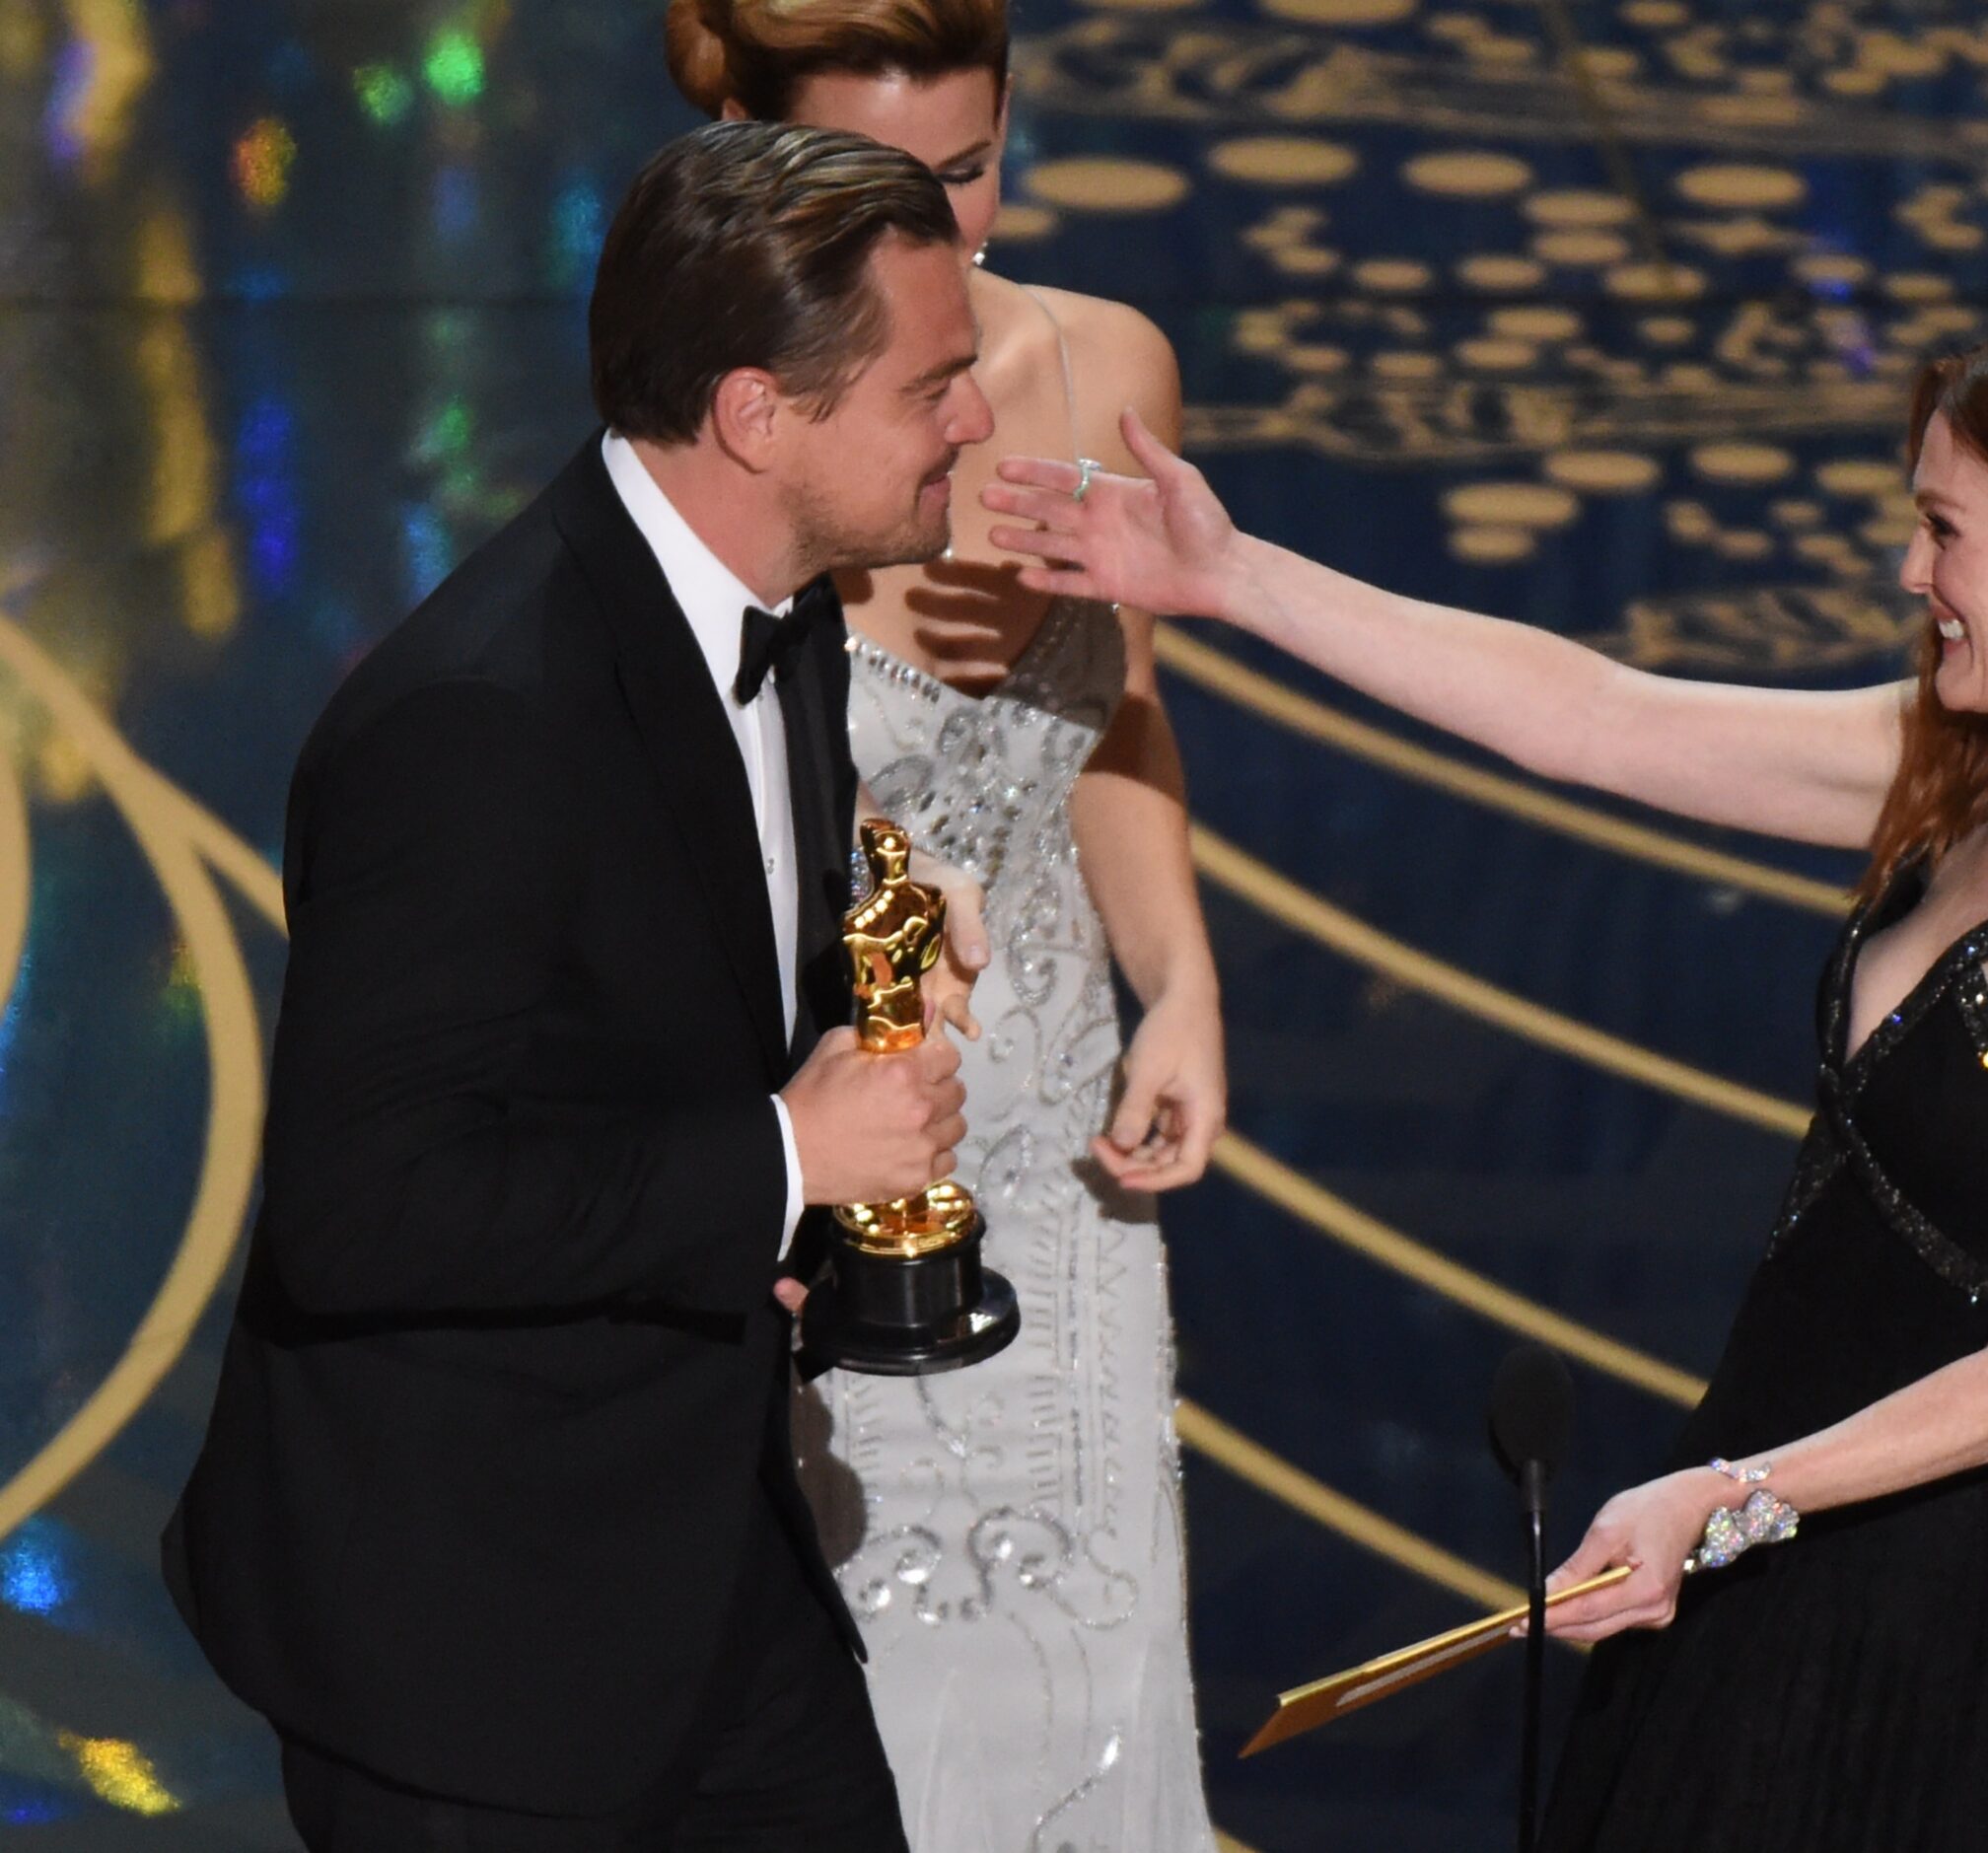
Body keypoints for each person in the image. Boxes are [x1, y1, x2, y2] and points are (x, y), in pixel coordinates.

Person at [983, 298, 1988, 1850]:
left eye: (1946, 533)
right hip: (1754, 1521)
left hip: (1927, 1623)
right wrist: (1233, 579)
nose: (1913, 574)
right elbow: (1593, 718)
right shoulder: (1973, 773)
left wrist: (1732, 1500)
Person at [162, 121, 992, 1848]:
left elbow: (658, 950)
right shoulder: (475, 723)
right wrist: (787, 1156)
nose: (976, 420)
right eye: (932, 387)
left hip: (705, 1548)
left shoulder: (786, 607)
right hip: (473, 1634)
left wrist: (879, 929)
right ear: (759, 414)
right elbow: (363, 1204)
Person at [662, 5, 1226, 1846]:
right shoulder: (726, 430)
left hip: (1059, 1162)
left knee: (1095, 1681)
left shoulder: (1107, 367)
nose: (939, 235)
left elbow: (1118, 717)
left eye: (971, 172)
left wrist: (1180, 985)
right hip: (840, 1147)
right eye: (878, 184)